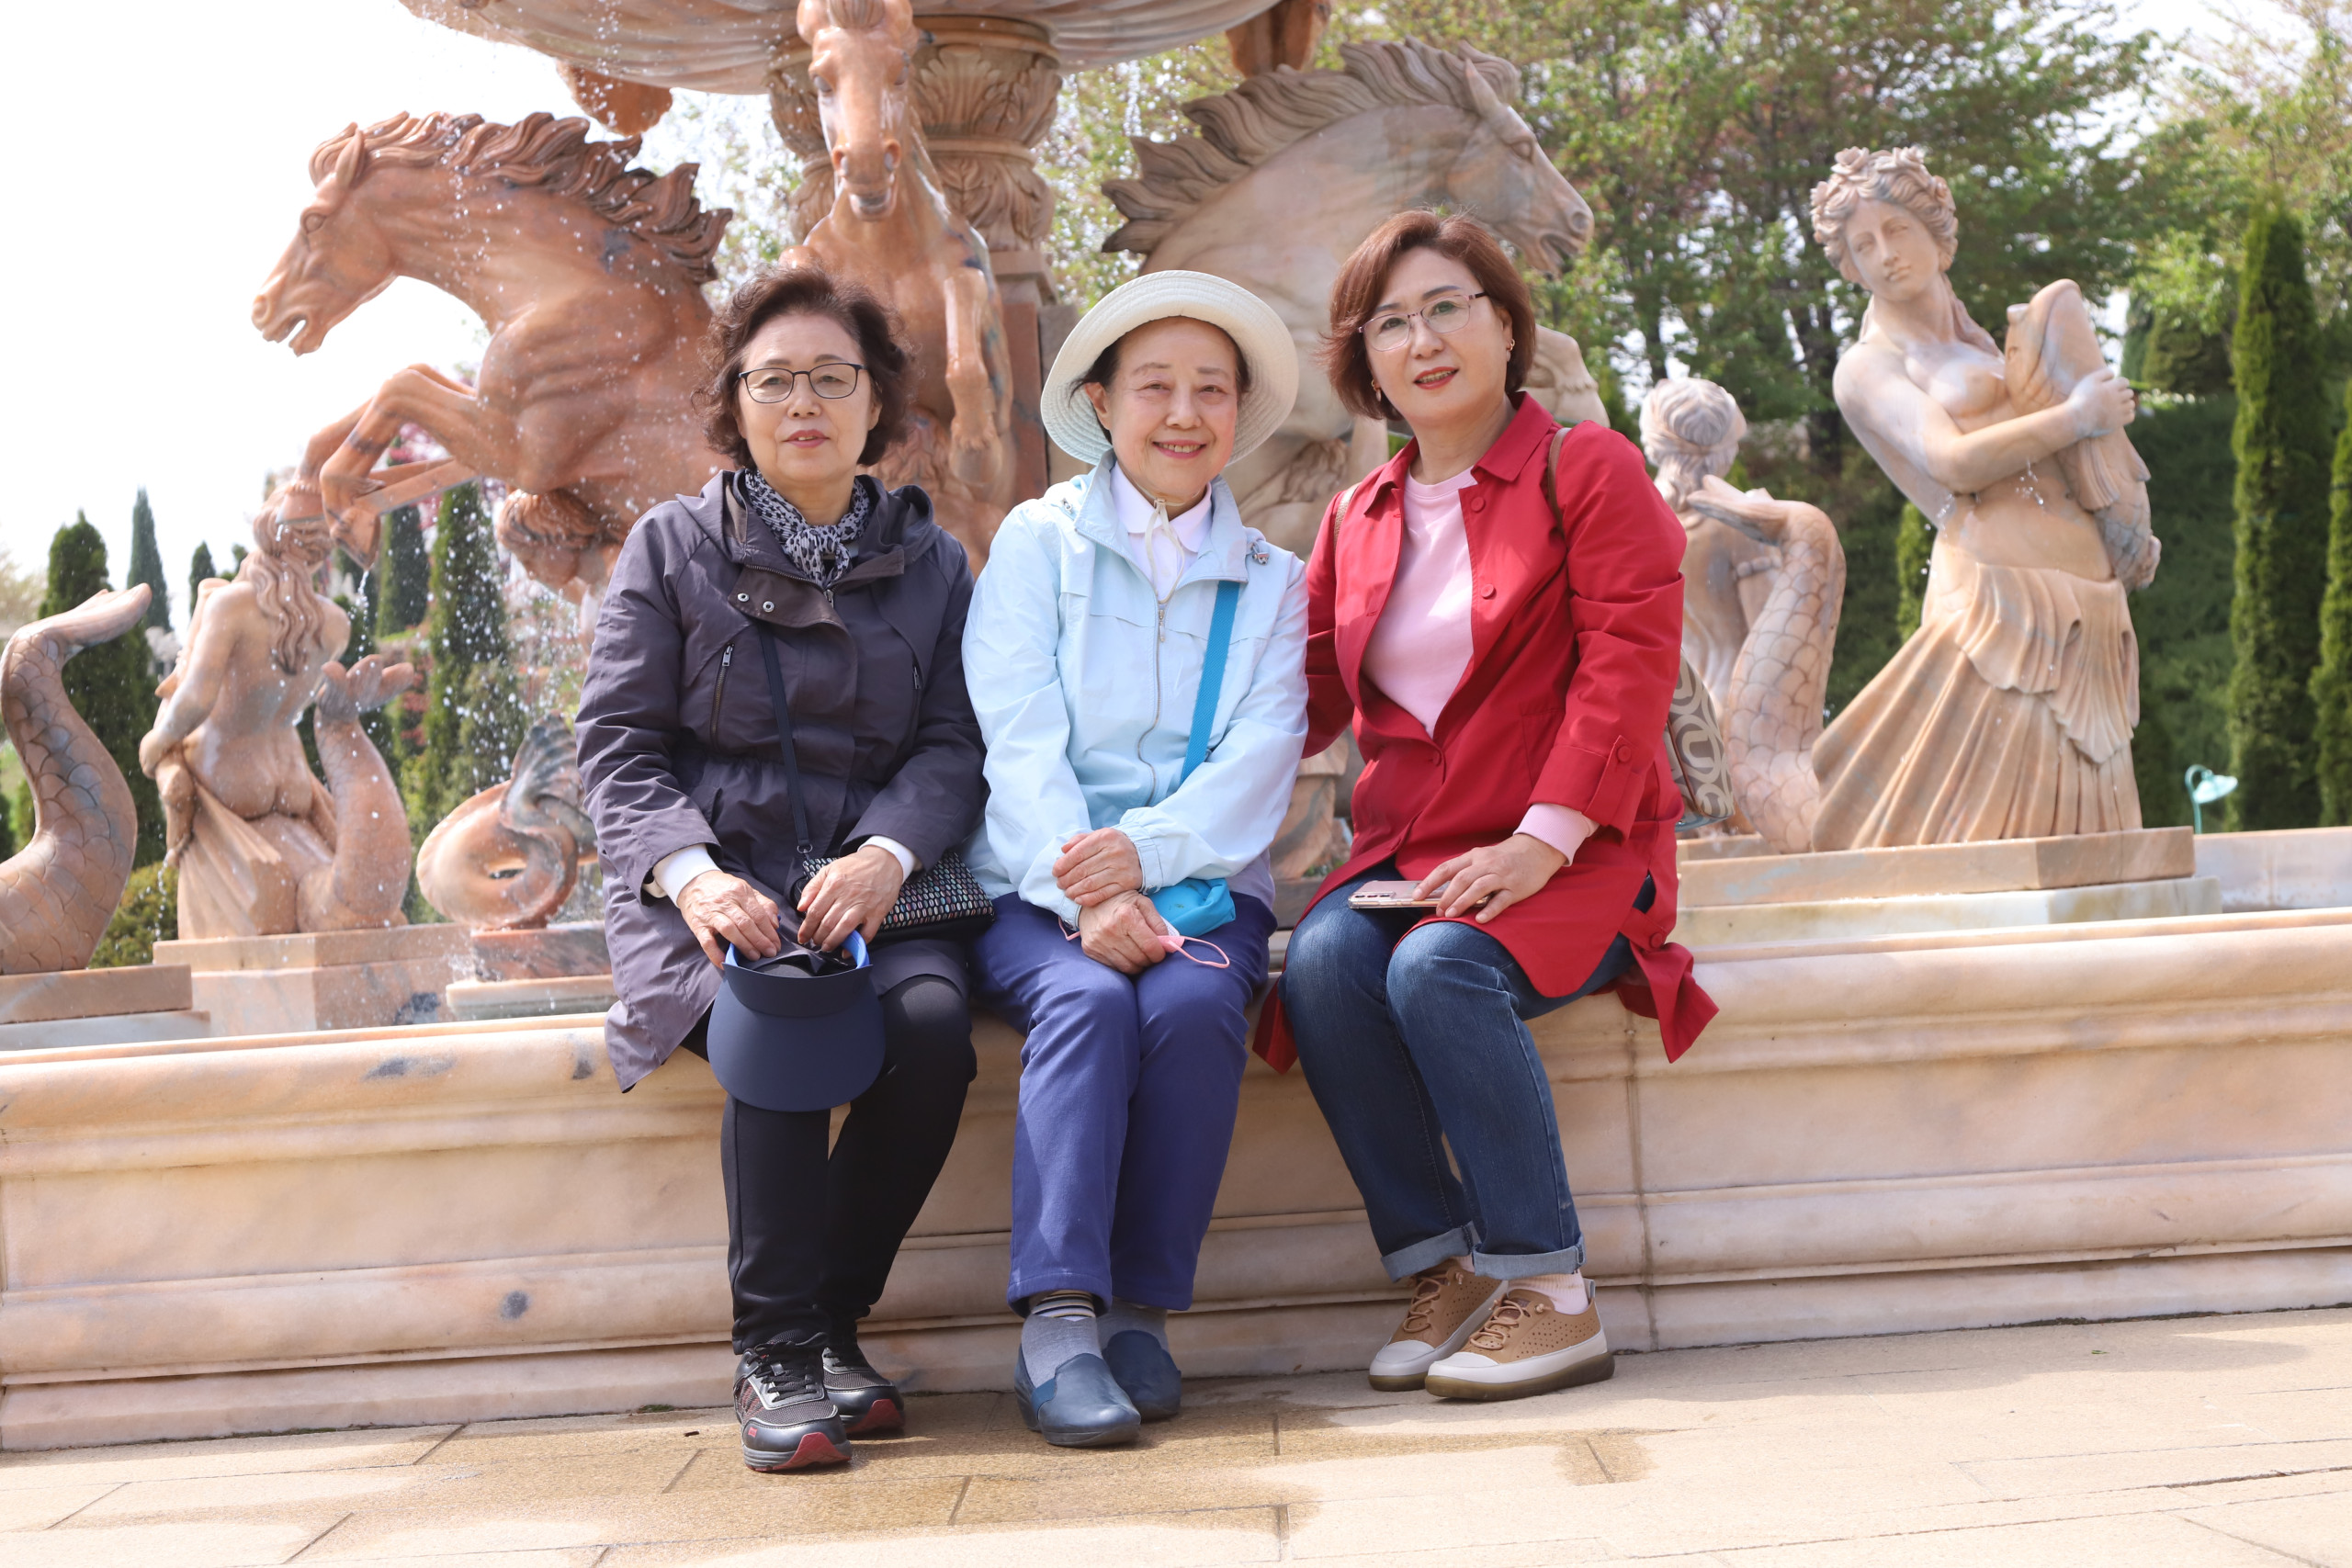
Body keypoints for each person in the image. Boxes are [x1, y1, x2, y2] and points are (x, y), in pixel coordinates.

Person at [1266, 210, 1715, 1404]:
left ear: (1505, 327)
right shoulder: (1354, 519)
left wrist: (1541, 838)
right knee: (1322, 965)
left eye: (1446, 308)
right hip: (1413, 851)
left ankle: (1553, 1290)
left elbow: (1629, 665)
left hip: (1579, 844)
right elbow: (1291, 704)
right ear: (1364, 361)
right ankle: (1449, 1268)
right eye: (1390, 323)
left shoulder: (1587, 467)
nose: (1422, 340)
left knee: (1438, 967)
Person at [577, 265, 986, 1472]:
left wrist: (887, 852)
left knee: (933, 1032)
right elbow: (617, 746)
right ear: (736, 404)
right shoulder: (672, 546)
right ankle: (776, 1351)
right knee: (777, 1021)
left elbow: (956, 744)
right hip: (713, 885)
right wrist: (694, 875)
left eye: (831, 377)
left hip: (874, 886)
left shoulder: (933, 562)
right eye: (774, 381)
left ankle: (829, 1324)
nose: (803, 402)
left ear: (876, 403)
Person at [963, 271, 1308, 1447]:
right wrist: (1084, 894)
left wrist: (1141, 862)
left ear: (1237, 412)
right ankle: (1059, 1322)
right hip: (1033, 884)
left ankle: (1141, 1315)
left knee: (1197, 1007)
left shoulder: (1272, 582)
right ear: (1102, 404)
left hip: (1199, 888)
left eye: (1211, 389)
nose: (1183, 413)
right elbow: (1016, 736)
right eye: (1154, 386)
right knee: (1088, 1003)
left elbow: (1259, 762)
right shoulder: (1037, 542)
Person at [1804, 146, 2149, 846]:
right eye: (1863, 245)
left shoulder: (1985, 343)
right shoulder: (1868, 366)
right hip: (2002, 608)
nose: (1885, 255)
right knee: (1999, 849)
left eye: (1896, 230)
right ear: (1851, 267)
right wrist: (2079, 415)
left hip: (2088, 604)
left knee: (2095, 854)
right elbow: (1952, 462)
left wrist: (2125, 523)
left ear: (1936, 233)